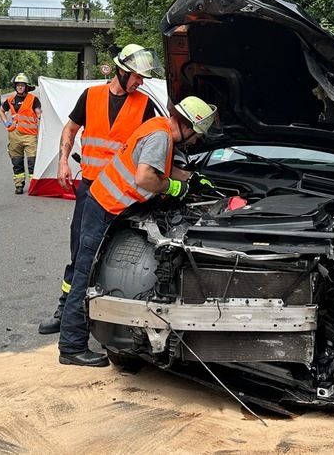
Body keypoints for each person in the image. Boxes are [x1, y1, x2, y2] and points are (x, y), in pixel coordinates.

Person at [58, 95, 218, 366]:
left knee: (88, 271)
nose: (194, 142)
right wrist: (172, 188)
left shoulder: (158, 126)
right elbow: (145, 177)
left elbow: (163, 167)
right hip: (105, 208)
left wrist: (191, 179)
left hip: (105, 205)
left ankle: (74, 337)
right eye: (196, 135)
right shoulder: (162, 138)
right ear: (187, 125)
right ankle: (71, 346)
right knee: (85, 275)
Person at [38, 43, 162, 335]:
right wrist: (63, 163)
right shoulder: (91, 96)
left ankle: (114, 312)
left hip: (125, 193)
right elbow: (69, 129)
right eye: (136, 76)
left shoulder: (145, 105)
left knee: (122, 252)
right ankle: (66, 308)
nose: (140, 82)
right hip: (90, 188)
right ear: (120, 71)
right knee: (80, 252)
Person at [0, 73, 42, 195]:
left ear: (26, 87)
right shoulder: (10, 100)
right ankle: (19, 184)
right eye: (18, 85)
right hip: (14, 135)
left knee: (32, 162)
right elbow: (1, 111)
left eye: (22, 85)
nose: (20, 87)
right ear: (15, 86)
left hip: (30, 136)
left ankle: (33, 185)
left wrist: (42, 117)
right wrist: (6, 122)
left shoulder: (33, 99)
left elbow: (39, 114)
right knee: (17, 161)